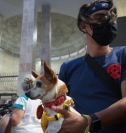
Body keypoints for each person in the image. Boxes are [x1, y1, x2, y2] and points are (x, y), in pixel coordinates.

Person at [53, 0, 126, 133]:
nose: (108, 22)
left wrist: (89, 122)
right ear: (83, 26)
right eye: (99, 18)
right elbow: (60, 107)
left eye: (112, 17)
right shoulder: (68, 68)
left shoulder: (123, 54)